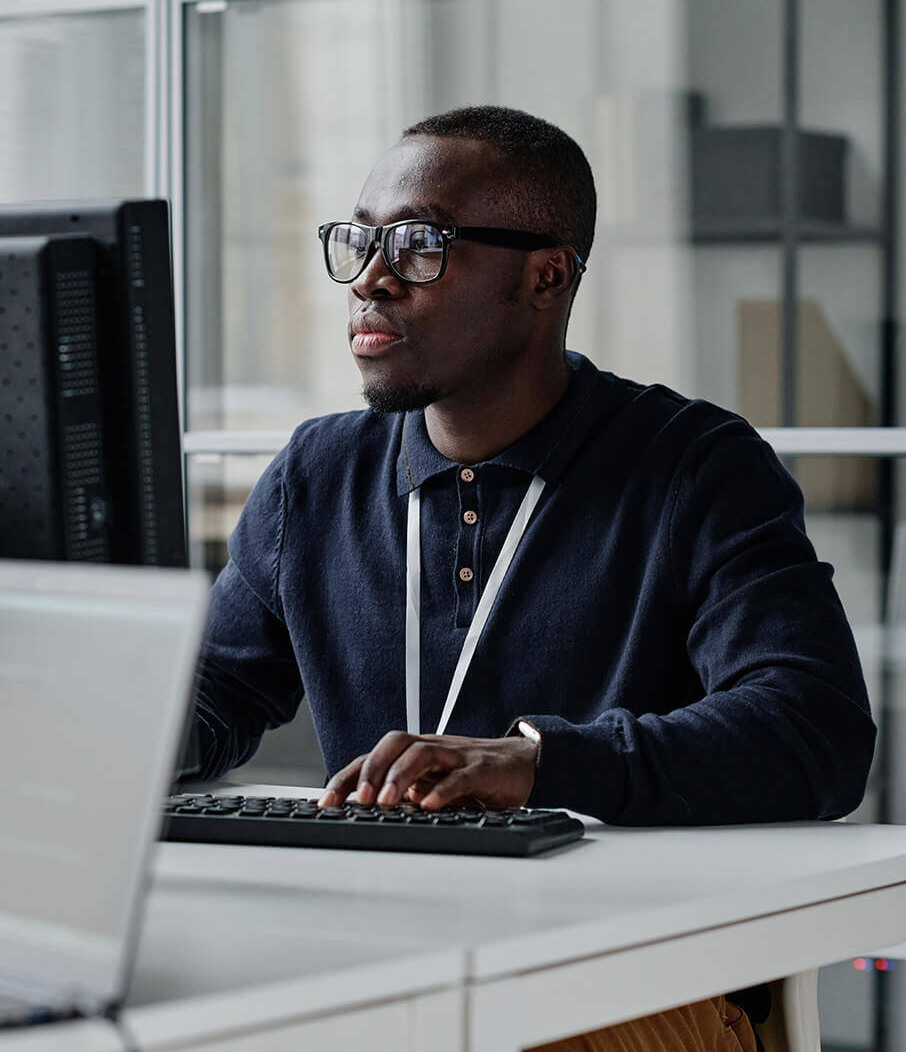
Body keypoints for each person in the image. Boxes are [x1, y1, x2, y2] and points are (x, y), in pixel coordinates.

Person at [191, 105, 875, 1047]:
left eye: (420, 245)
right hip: (379, 962)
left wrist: (539, 765)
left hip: (634, 980)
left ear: (545, 277)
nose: (370, 279)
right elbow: (214, 693)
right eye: (358, 241)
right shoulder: (316, 476)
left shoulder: (694, 467)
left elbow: (814, 731)